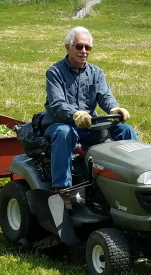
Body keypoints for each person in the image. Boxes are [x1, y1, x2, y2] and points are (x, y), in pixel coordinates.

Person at [43, 26, 138, 203]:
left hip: (88, 124)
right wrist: (74, 114)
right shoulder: (55, 72)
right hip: (61, 124)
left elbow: (105, 96)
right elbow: (57, 104)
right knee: (65, 133)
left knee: (125, 130)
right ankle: (62, 190)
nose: (84, 51)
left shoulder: (96, 72)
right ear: (67, 47)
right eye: (79, 46)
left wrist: (114, 109)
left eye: (88, 48)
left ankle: (135, 177)